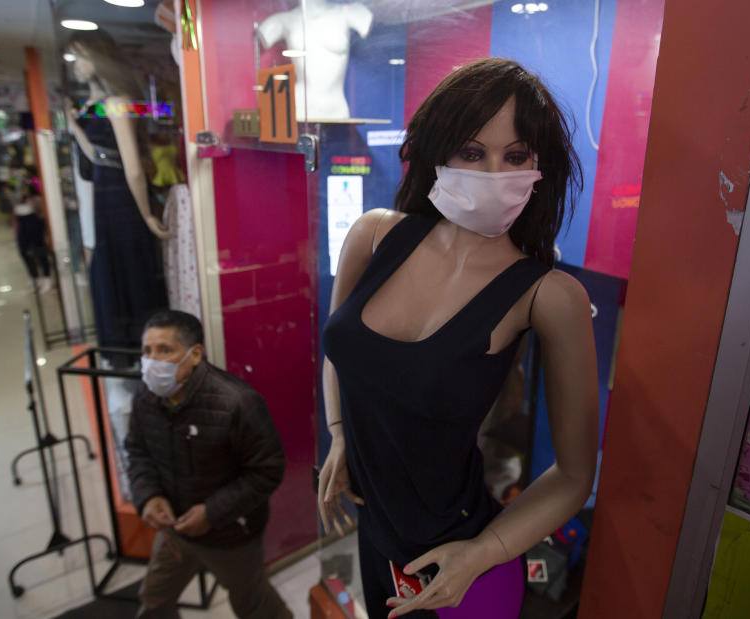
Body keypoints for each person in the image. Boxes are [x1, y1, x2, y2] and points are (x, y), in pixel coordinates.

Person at [318, 58, 599, 618]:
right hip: (376, 537)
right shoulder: (374, 236)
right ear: (440, 152)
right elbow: (341, 350)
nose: (494, 172)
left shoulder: (548, 294)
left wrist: (481, 555)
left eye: (515, 156)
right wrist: (340, 434)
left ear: (538, 165)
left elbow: (574, 475)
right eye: (473, 152)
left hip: (466, 565)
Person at [124, 310, 293, 619]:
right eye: (147, 351)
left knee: (254, 606)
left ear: (194, 354)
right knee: (154, 599)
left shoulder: (236, 402)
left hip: (230, 535)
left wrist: (212, 513)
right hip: (174, 527)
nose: (151, 361)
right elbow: (137, 450)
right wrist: (148, 495)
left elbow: (267, 469)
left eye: (164, 350)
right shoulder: (145, 395)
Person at [12, 181, 52, 293]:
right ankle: (35, 277)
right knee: (24, 253)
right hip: (23, 232)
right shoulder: (19, 202)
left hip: (36, 230)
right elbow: (16, 221)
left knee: (40, 253)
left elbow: (42, 216)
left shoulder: (37, 200)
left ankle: (46, 278)